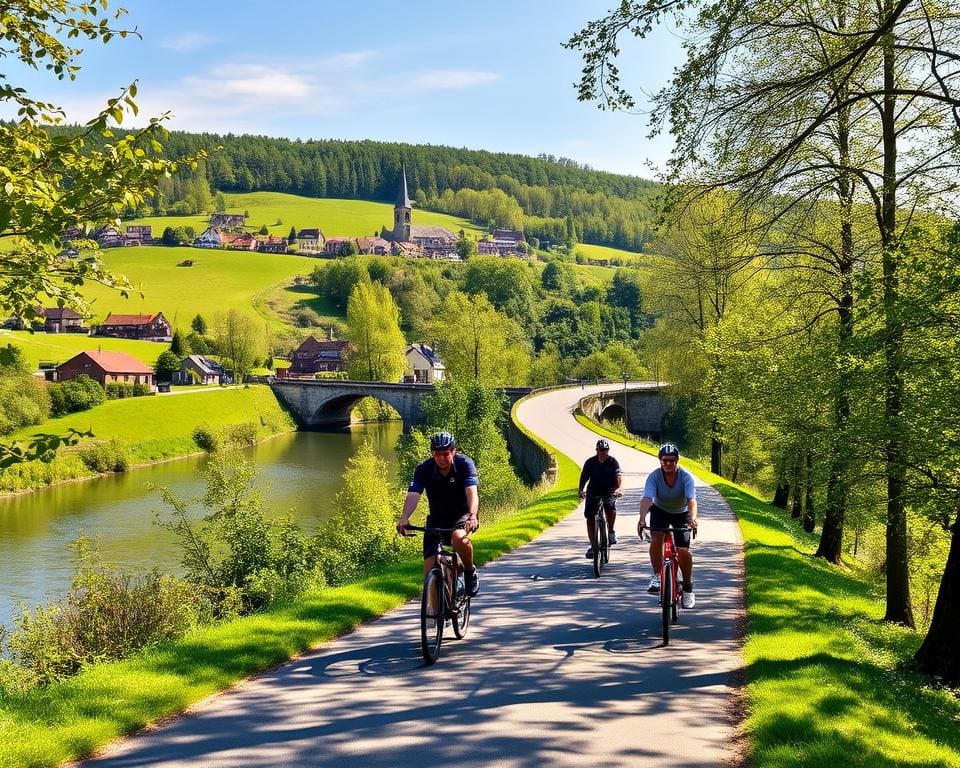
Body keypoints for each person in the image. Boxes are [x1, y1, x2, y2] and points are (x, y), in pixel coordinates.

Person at [397, 431, 481, 597]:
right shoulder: (423, 469)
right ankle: (433, 619)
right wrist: (404, 517)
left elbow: (472, 492)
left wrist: (472, 515)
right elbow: (414, 494)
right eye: (437, 454)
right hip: (437, 519)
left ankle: (470, 572)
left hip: (463, 516)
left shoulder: (464, 464)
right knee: (429, 569)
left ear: (453, 452)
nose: (442, 458)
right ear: (432, 454)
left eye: (445, 454)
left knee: (458, 537)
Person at [638, 442, 698, 608]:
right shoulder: (654, 477)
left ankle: (687, 587)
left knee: (683, 551)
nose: (668, 464)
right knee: (656, 538)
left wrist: (692, 518)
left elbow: (691, 500)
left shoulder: (686, 477)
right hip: (660, 510)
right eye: (665, 460)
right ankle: (657, 575)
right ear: (660, 461)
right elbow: (647, 499)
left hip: (681, 513)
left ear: (677, 461)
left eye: (672, 460)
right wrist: (642, 518)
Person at [578, 438, 623, 559]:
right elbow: (584, 478)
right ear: (596, 450)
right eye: (600, 450)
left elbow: (618, 476)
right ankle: (593, 546)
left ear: (608, 451)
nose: (603, 453)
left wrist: (618, 489)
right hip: (594, 490)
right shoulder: (590, 462)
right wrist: (581, 490)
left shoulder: (613, 462)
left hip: (609, 489)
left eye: (605, 450)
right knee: (590, 516)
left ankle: (611, 531)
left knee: (610, 507)